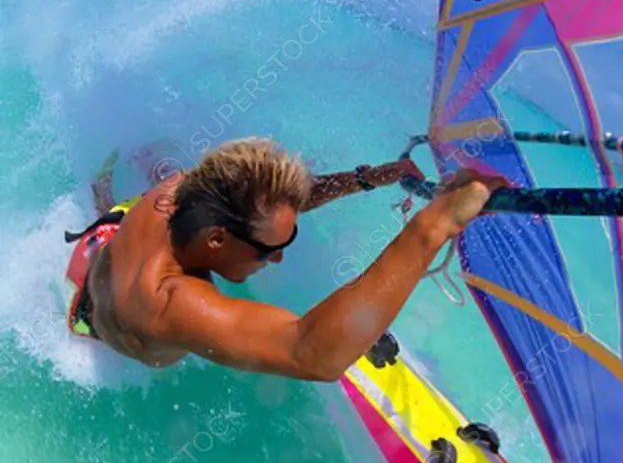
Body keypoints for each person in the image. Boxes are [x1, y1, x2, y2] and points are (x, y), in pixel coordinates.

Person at [65, 138, 501, 378]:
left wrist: (370, 178)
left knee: (112, 213)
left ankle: (103, 193)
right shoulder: (167, 302)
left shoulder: (190, 189)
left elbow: (265, 203)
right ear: (216, 240)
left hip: (114, 233)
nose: (276, 260)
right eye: (271, 250)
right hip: (91, 321)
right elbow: (309, 353)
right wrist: (434, 225)